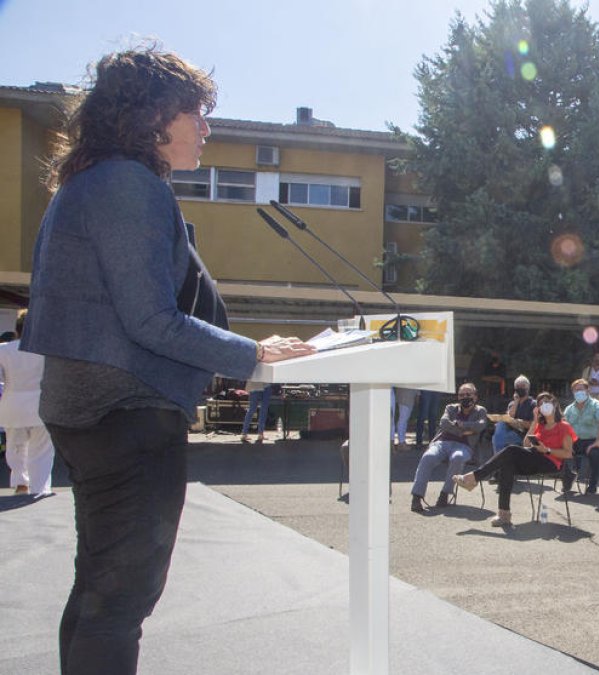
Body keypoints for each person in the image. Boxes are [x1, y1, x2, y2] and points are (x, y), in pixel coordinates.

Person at [20, 46, 316, 675]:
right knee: (121, 599)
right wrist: (253, 353)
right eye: (197, 113)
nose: (207, 128)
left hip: (95, 409)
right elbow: (150, 320)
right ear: (154, 115)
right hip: (124, 410)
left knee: (102, 589)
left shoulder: (97, 180)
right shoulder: (128, 184)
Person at [453, 392, 577, 527]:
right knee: (508, 465)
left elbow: (568, 453)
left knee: (511, 449)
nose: (543, 406)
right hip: (534, 459)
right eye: (540, 404)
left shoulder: (564, 426)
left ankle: (474, 478)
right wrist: (535, 421)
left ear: (554, 404)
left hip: (552, 463)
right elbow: (526, 444)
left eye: (546, 402)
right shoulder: (540, 425)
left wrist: (547, 450)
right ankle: (503, 514)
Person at [409, 383, 488, 513]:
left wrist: (461, 424)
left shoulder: (480, 411)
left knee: (458, 457)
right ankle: (416, 497)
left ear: (475, 396)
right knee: (428, 457)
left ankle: (445, 494)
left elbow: (480, 425)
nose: (465, 398)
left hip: (465, 446)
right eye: (462, 395)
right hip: (442, 443)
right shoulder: (450, 408)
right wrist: (463, 431)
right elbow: (444, 423)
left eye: (468, 395)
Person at [0, 309, 54, 496]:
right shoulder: (47, 350)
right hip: (42, 403)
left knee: (15, 446)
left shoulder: (4, 349)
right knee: (42, 450)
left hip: (12, 404)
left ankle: (21, 483)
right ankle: (40, 488)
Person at [563, 378, 599, 494]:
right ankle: (568, 479)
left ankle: (593, 485)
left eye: (581, 389)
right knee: (559, 451)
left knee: (596, 454)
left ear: (588, 391)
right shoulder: (569, 409)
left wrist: (598, 441)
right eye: (575, 390)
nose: (578, 392)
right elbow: (564, 428)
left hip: (592, 440)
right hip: (575, 441)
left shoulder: (596, 405)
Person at [491, 375, 534, 452]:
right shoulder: (512, 404)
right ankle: (499, 458)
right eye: (518, 386)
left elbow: (532, 424)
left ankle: (498, 458)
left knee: (496, 439)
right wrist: (516, 401)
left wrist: (517, 422)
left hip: (522, 435)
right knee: (501, 423)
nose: (520, 388)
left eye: (523, 386)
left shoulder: (533, 404)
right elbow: (509, 417)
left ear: (528, 388)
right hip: (509, 431)